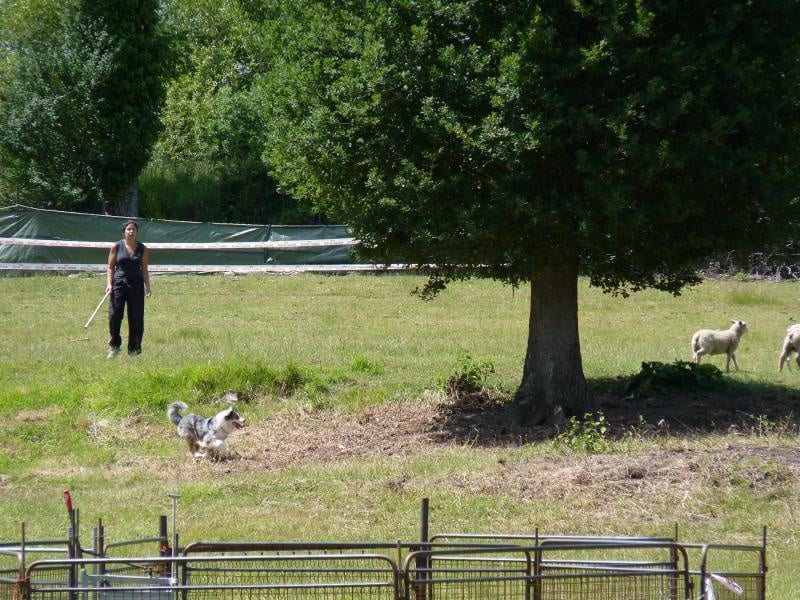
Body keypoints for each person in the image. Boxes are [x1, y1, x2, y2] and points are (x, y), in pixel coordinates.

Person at [106, 220, 151, 357]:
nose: (131, 232)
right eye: (128, 229)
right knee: (114, 315)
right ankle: (114, 346)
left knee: (136, 317)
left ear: (136, 232)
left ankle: (133, 350)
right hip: (118, 283)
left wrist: (148, 286)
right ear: (124, 232)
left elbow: (144, 269)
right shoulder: (116, 246)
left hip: (136, 285)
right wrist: (109, 284)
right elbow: (110, 267)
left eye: (133, 229)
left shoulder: (143, 249)